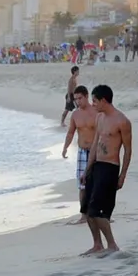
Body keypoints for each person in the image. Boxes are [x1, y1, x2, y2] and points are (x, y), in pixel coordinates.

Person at [79, 84, 131, 257]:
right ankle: (97, 244)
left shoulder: (122, 121)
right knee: (87, 209)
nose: (93, 104)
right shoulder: (100, 118)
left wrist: (122, 175)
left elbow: (128, 150)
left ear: (103, 100)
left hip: (110, 167)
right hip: (96, 166)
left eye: (95, 101)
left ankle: (112, 244)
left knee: (98, 210)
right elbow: (95, 144)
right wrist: (87, 170)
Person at [61, 85, 97, 224]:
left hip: (96, 151)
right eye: (75, 99)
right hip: (82, 152)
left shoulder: (96, 111)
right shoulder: (75, 114)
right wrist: (65, 148)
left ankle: (101, 214)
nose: (77, 102)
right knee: (82, 185)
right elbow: (71, 132)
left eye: (80, 98)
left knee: (98, 184)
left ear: (86, 96)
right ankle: (84, 215)